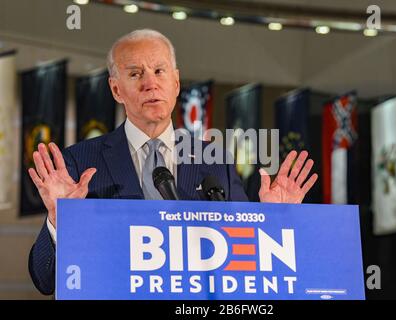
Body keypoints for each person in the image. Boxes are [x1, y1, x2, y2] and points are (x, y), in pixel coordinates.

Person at [27, 29, 318, 295]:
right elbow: (45, 280)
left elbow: (246, 264)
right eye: (135, 74)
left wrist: (275, 221)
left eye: (159, 71)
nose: (150, 84)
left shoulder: (216, 161)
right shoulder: (79, 162)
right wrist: (59, 221)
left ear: (176, 82)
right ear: (116, 90)